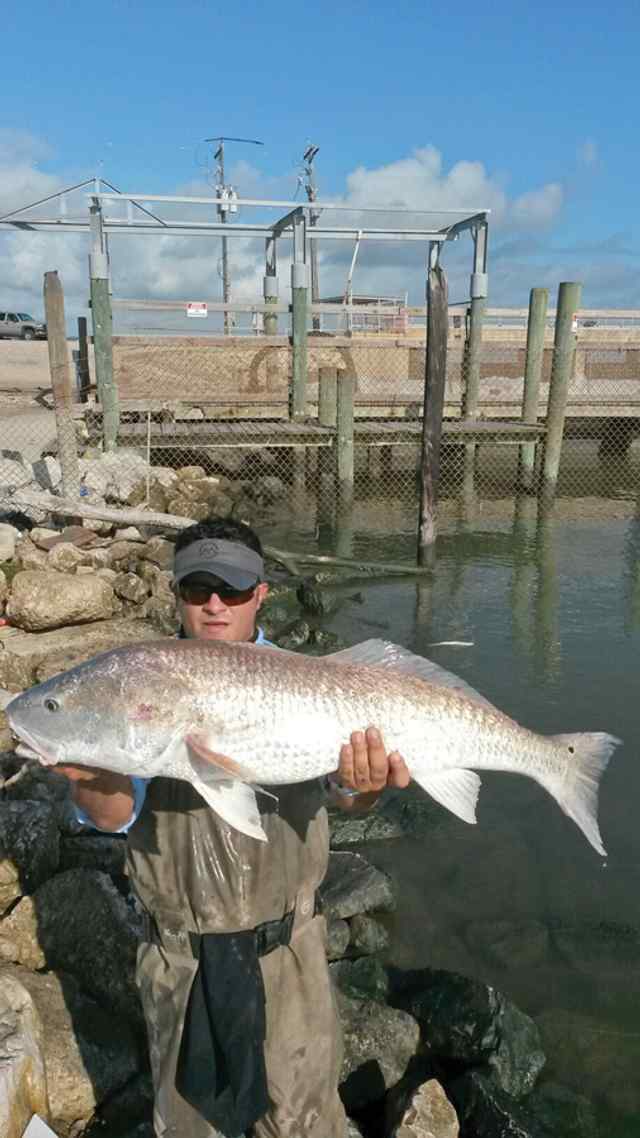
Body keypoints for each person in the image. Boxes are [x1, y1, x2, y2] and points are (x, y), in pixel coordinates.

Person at [59, 516, 410, 1138]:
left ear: (261, 595)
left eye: (234, 589)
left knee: (303, 1124)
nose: (215, 604)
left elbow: (347, 797)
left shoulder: (312, 683)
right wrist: (89, 775)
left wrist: (365, 785)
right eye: (198, 590)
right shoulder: (137, 683)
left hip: (289, 956)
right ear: (177, 595)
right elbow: (115, 816)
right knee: (191, 1125)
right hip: (179, 963)